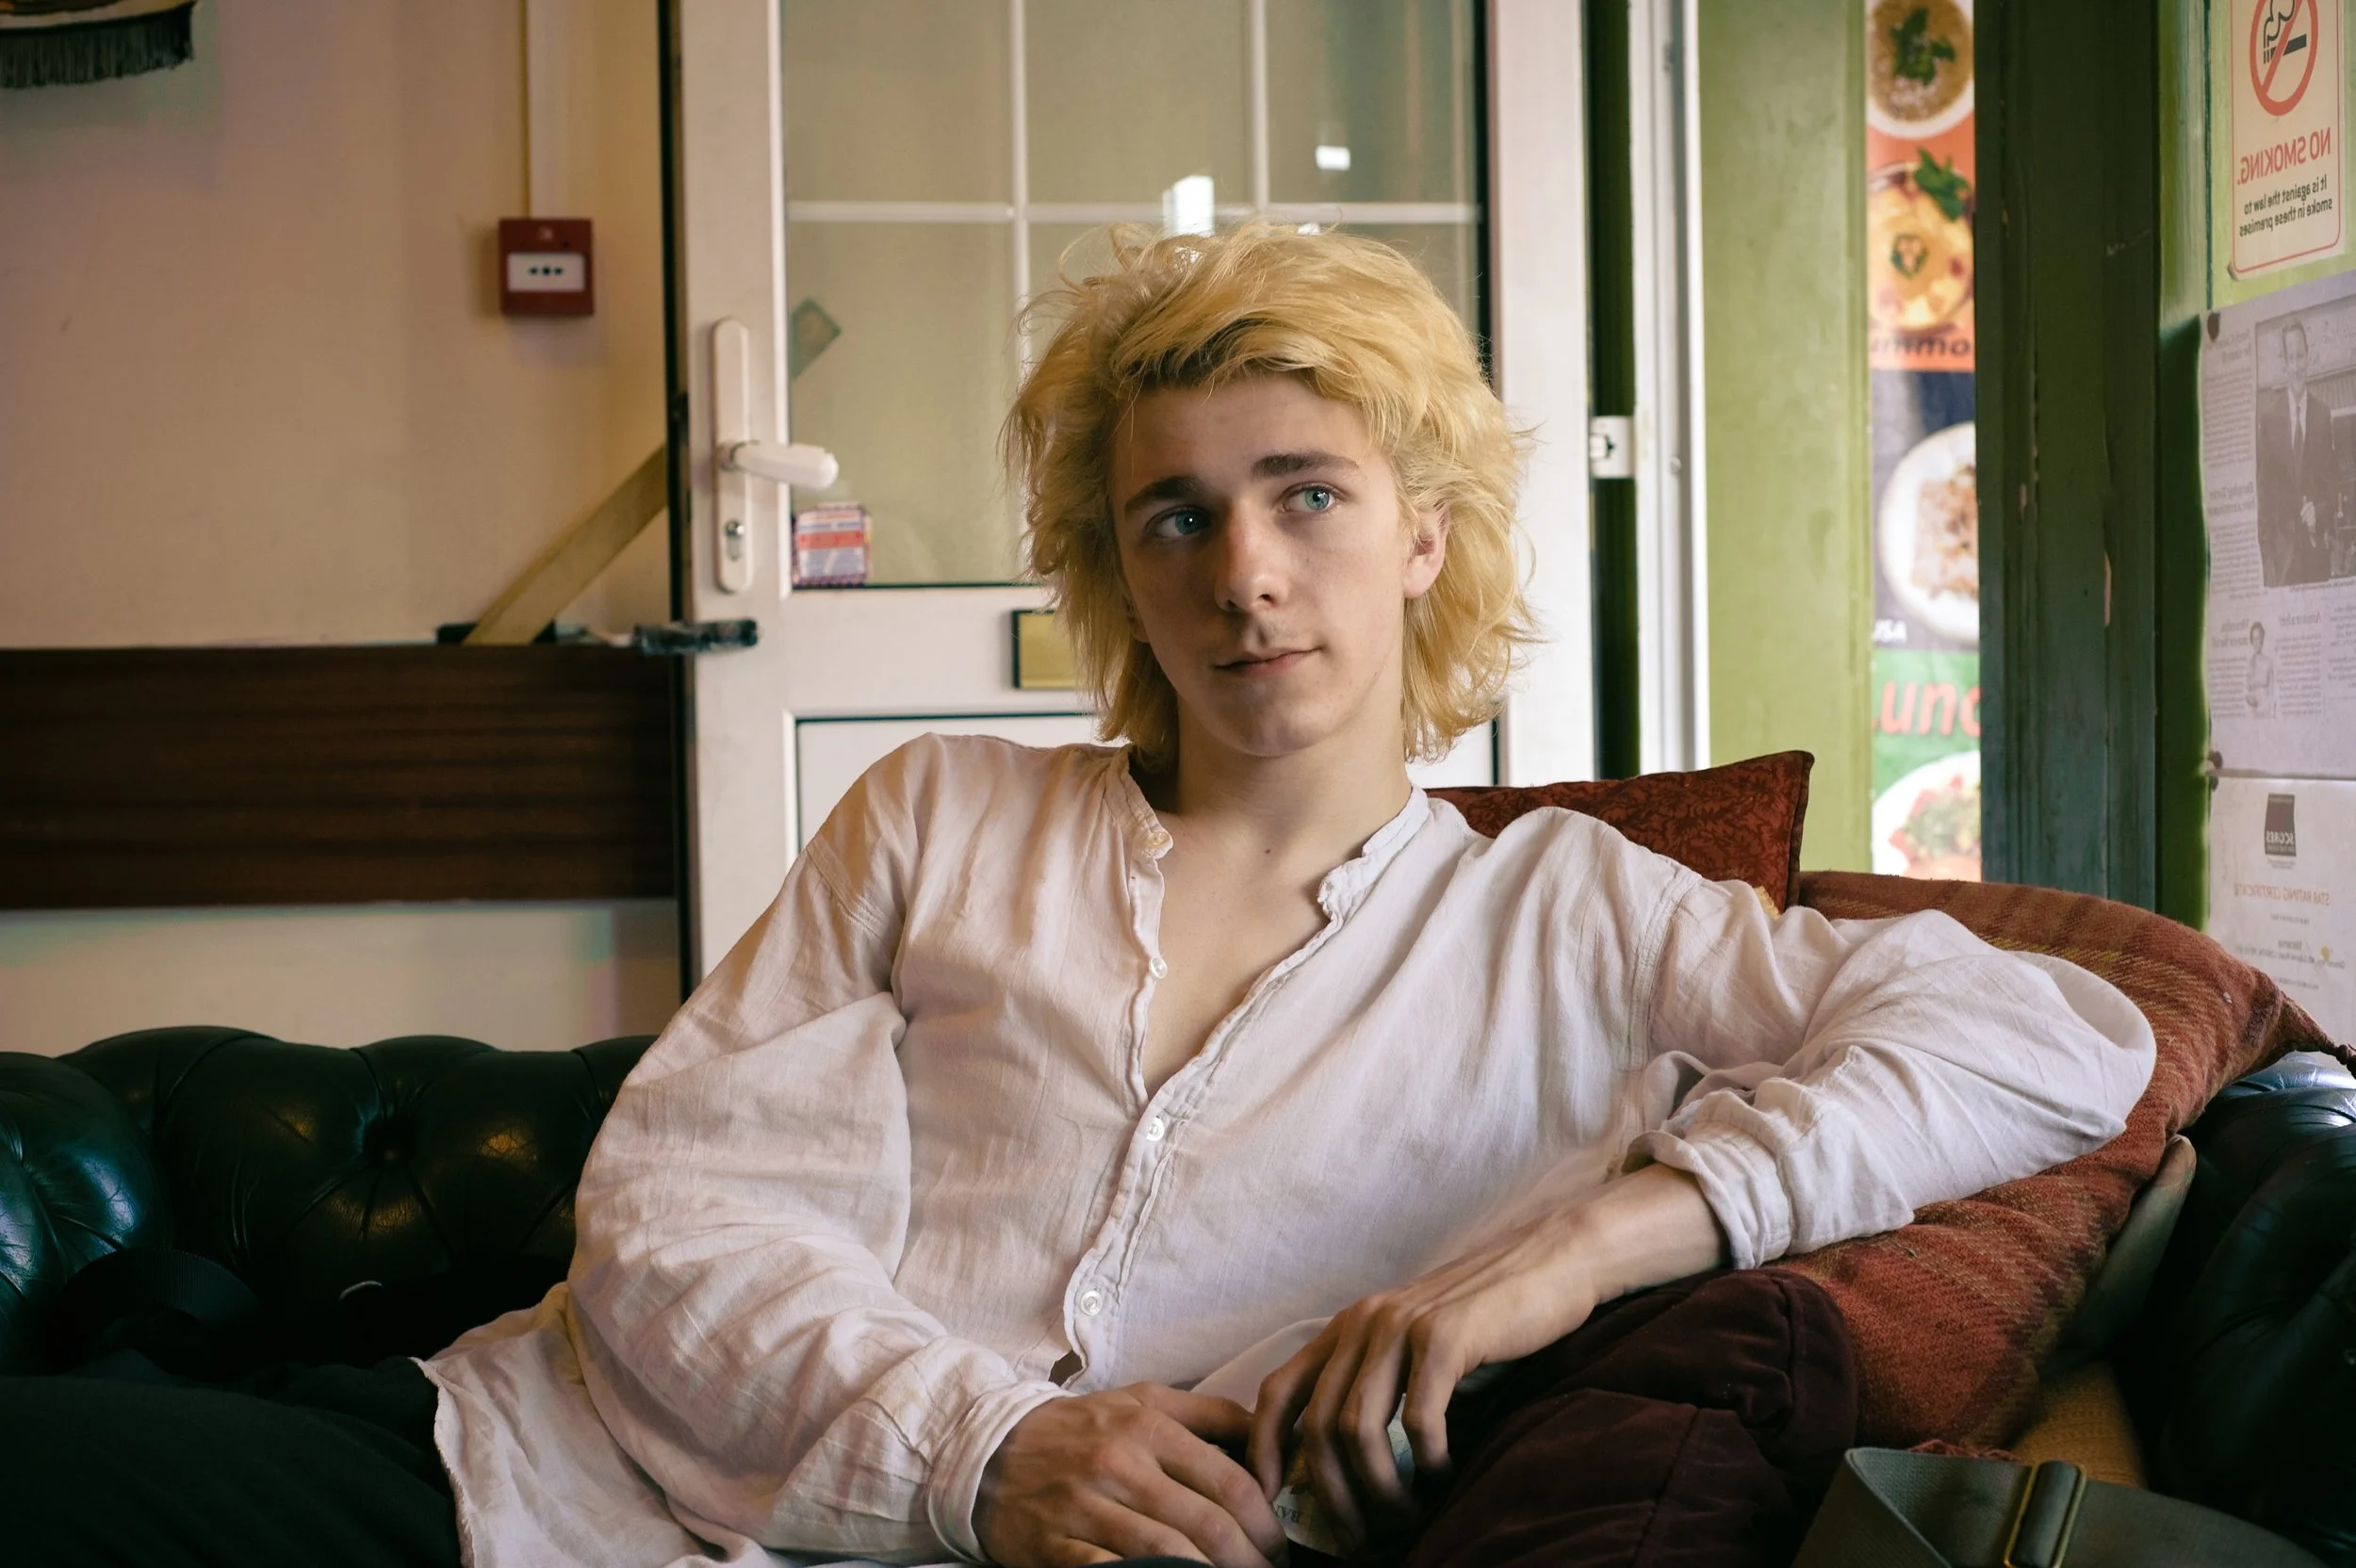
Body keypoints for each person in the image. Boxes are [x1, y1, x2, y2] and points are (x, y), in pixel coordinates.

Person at [0, 225, 2155, 1568]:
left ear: (1421, 535)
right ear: (1118, 568)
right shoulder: (938, 813)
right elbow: (677, 1220)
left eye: (1307, 492)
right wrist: (991, 1454)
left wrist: (1565, 1252)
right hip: (517, 1479)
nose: (1244, 568)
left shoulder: (1581, 918)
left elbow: (2067, 1034)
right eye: (1173, 516)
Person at [2255, 318, 2339, 586]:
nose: (2297, 365)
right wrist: (2269, 563)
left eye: (2301, 356)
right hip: (2282, 568)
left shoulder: (2323, 416)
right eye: (2291, 358)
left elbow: (2331, 489)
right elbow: (2264, 499)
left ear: (2308, 358)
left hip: (2315, 561)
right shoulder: (2268, 421)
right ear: (2284, 365)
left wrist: (2320, 512)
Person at [2248, 621, 2278, 718]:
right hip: (2252, 712)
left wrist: (2272, 715)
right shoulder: (2249, 664)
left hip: (2266, 710)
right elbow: (2247, 689)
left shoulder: (2269, 662)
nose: (2256, 642)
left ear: (2262, 639)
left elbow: (2273, 691)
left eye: (2258, 638)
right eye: (2254, 639)